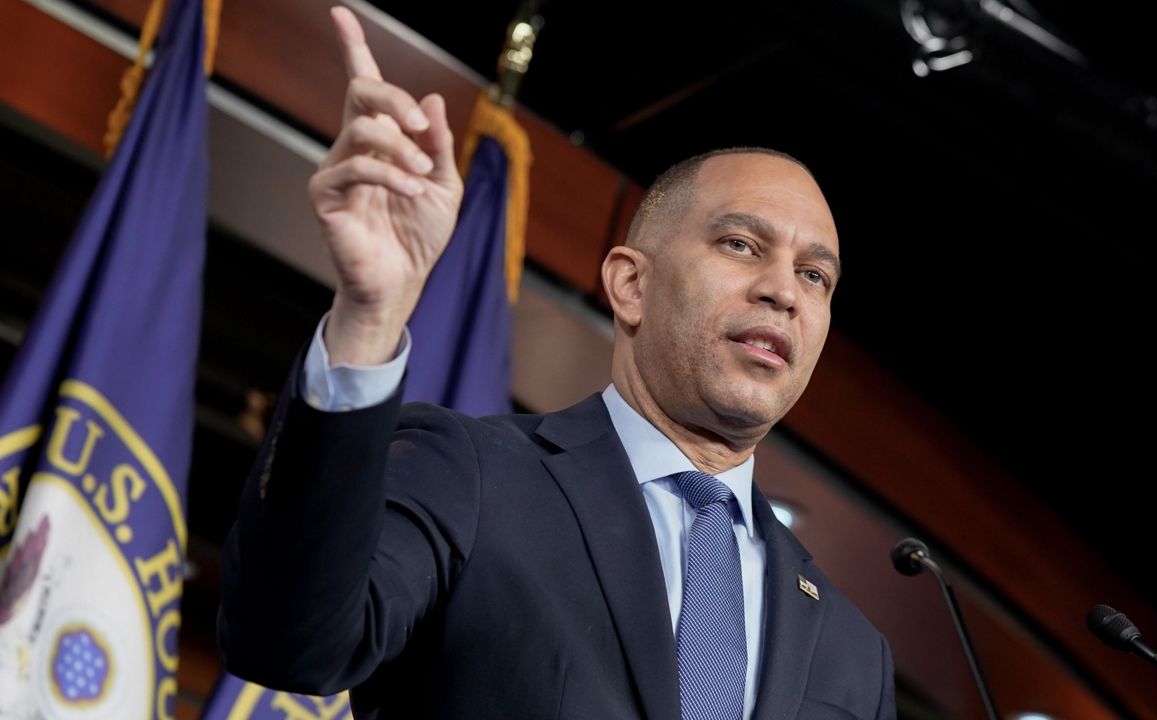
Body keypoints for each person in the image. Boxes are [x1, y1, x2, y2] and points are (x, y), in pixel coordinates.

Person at [218, 7, 895, 719]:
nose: (783, 291)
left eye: (815, 276)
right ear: (630, 285)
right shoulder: (473, 477)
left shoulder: (854, 651)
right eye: (740, 245)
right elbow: (287, 642)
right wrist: (370, 316)